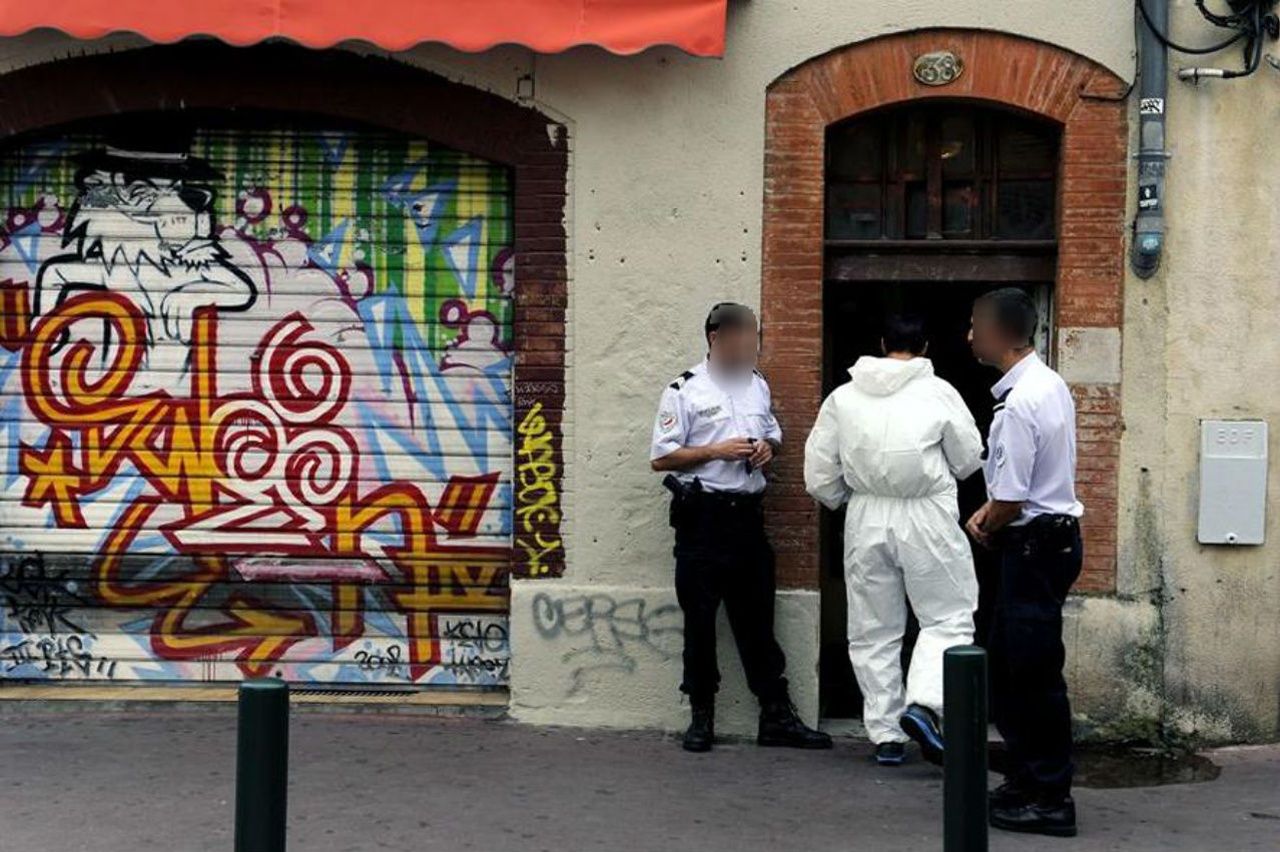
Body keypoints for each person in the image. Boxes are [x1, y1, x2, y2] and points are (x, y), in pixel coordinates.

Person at [650, 302, 832, 753]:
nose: (751, 348)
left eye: (755, 340)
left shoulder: (758, 385)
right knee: (700, 622)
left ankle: (776, 718)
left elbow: (771, 432)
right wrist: (716, 450)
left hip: (748, 518)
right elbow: (660, 457)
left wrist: (767, 447)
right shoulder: (683, 390)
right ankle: (701, 717)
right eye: (742, 340)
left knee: (757, 621)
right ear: (716, 338)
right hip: (703, 520)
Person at [803, 314, 983, 767]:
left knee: (873, 628)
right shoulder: (939, 392)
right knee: (947, 617)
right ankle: (924, 704)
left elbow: (819, 474)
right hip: (927, 511)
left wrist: (850, 498)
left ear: (882, 343)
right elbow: (967, 460)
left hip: (866, 514)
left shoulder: (842, 397)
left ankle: (885, 735)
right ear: (925, 348)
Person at [965, 287, 1084, 838]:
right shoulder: (1049, 383)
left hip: (1032, 544)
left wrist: (984, 524)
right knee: (1011, 667)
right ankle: (1028, 778)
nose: (969, 337)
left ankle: (1051, 797)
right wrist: (998, 514)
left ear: (999, 334)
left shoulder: (1019, 403)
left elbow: (1012, 497)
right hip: (1049, 540)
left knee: (1031, 676)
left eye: (975, 327)